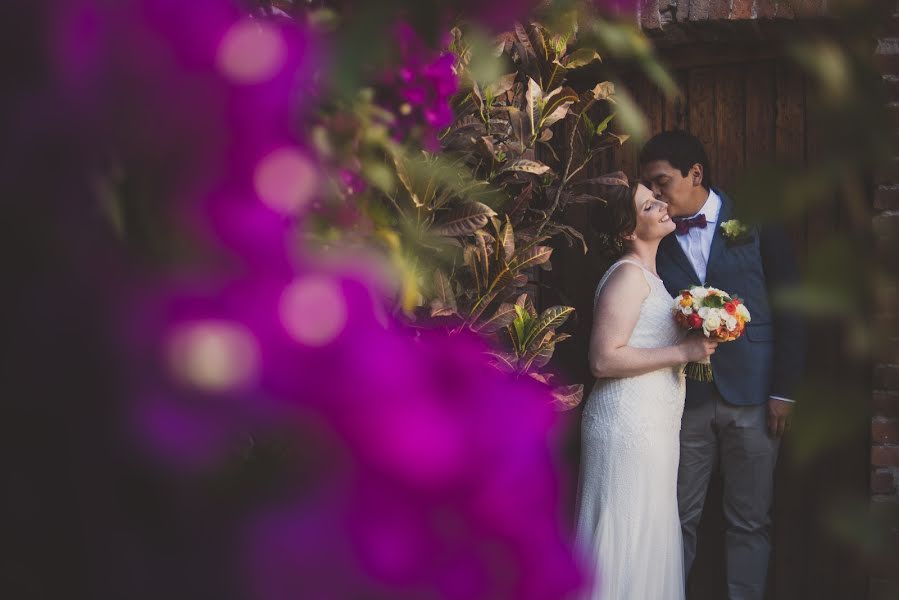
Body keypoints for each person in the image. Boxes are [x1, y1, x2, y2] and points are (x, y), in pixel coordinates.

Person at [639, 130, 806, 600]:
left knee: (750, 520)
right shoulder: (654, 235)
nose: (655, 195)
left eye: (662, 182)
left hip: (754, 398)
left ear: (696, 173)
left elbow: (789, 305)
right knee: (677, 518)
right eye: (648, 186)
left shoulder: (754, 222)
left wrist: (783, 392)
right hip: (683, 399)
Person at [574, 178, 718, 600]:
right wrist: (682, 351)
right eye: (648, 205)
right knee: (627, 532)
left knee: (650, 530)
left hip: (653, 425)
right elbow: (602, 359)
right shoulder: (627, 277)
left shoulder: (651, 277)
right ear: (627, 232)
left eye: (656, 199)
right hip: (627, 428)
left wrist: (694, 348)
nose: (661, 205)